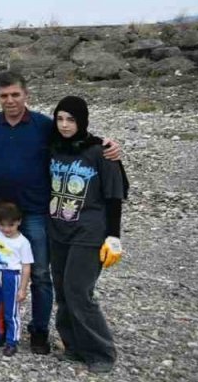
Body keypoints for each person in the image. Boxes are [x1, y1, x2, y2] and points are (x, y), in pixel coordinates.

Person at [0, 71, 121, 354]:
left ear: (26, 94)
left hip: (36, 212)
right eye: (4, 96)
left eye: (15, 94)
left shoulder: (43, 125)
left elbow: (74, 137)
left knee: (39, 273)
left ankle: (39, 330)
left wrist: (107, 146)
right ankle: (0, 328)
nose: (10, 100)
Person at [48, 96, 127, 373]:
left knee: (79, 290)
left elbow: (115, 194)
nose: (65, 125)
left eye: (71, 119)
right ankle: (73, 346)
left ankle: (101, 352)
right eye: (60, 119)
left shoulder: (99, 150)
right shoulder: (54, 147)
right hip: (58, 230)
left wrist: (113, 236)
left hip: (89, 231)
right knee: (63, 292)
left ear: (82, 120)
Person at [0, 201, 34, 357]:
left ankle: (12, 341)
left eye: (10, 225)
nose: (6, 229)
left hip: (12, 276)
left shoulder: (23, 242)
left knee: (11, 310)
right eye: (2, 225)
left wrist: (23, 289)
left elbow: (26, 266)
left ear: (18, 222)